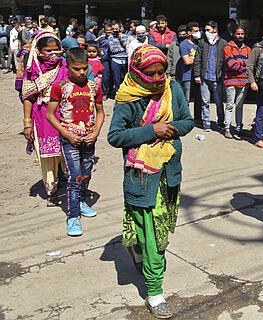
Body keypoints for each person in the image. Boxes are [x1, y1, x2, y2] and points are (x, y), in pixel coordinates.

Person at [107, 45, 194, 319]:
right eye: (151, 74)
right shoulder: (127, 98)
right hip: (142, 177)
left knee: (160, 235)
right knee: (152, 238)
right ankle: (155, 292)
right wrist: (150, 130)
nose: (157, 79)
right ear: (137, 72)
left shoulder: (173, 88)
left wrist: (171, 129)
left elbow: (187, 121)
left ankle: (141, 254)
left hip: (168, 173)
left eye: (161, 72)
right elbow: (115, 136)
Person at [46, 47, 105, 236]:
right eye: (76, 69)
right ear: (68, 66)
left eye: (84, 68)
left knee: (86, 173)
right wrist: (67, 133)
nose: (81, 72)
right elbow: (50, 115)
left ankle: (80, 200)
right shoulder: (60, 86)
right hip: (69, 139)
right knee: (74, 176)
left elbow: (100, 112)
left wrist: (96, 132)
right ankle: (73, 216)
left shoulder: (94, 86)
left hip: (89, 139)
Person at [21, 31, 68, 206]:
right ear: (39, 50)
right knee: (47, 156)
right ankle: (52, 191)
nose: (54, 54)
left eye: (57, 50)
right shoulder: (32, 68)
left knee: (67, 153)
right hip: (42, 116)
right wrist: (27, 124)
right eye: (49, 51)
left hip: (65, 115)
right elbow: (27, 97)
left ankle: (74, 188)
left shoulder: (64, 65)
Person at [193, 21, 227, 132]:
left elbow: (226, 62)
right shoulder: (202, 43)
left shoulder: (223, 43)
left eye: (208, 30)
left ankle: (221, 122)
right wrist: (197, 75)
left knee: (219, 102)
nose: (206, 32)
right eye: (205, 30)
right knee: (205, 102)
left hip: (217, 78)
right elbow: (197, 59)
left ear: (215, 29)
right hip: (204, 77)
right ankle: (206, 123)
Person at [223, 25, 251, 139]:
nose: (240, 36)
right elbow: (231, 65)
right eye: (238, 34)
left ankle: (239, 128)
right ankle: (227, 129)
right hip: (230, 81)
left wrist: (241, 64)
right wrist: (244, 64)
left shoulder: (248, 49)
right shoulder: (227, 48)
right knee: (229, 105)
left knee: (240, 106)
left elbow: (250, 65)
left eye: (242, 34)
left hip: (244, 82)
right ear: (233, 34)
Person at [108, 22, 128, 97]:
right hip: (115, 60)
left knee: (124, 78)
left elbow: (127, 47)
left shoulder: (125, 37)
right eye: (113, 29)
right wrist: (122, 49)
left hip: (125, 60)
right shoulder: (110, 38)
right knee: (116, 79)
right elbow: (112, 49)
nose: (115, 30)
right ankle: (117, 93)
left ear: (120, 28)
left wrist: (122, 39)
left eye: (116, 29)